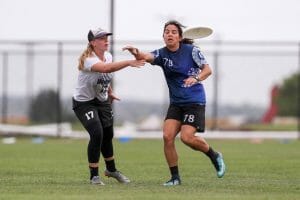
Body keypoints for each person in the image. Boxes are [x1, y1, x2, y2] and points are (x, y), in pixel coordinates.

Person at [123, 20, 226, 186]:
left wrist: (196, 78)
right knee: (167, 136)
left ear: (180, 37)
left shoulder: (192, 51)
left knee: (187, 137)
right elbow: (146, 56)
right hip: (176, 103)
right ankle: (175, 178)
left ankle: (215, 156)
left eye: (173, 32)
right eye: (167, 31)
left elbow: (208, 70)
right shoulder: (162, 54)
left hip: (194, 101)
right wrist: (136, 52)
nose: (169, 34)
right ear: (163, 36)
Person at [72, 27, 145, 185]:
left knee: (108, 134)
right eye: (101, 38)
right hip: (84, 103)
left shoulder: (108, 55)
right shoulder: (88, 59)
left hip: (102, 100)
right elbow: (106, 69)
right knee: (97, 133)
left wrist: (110, 91)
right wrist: (129, 62)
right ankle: (94, 176)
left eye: (106, 37)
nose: (106, 40)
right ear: (92, 43)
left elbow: (104, 76)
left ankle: (111, 170)